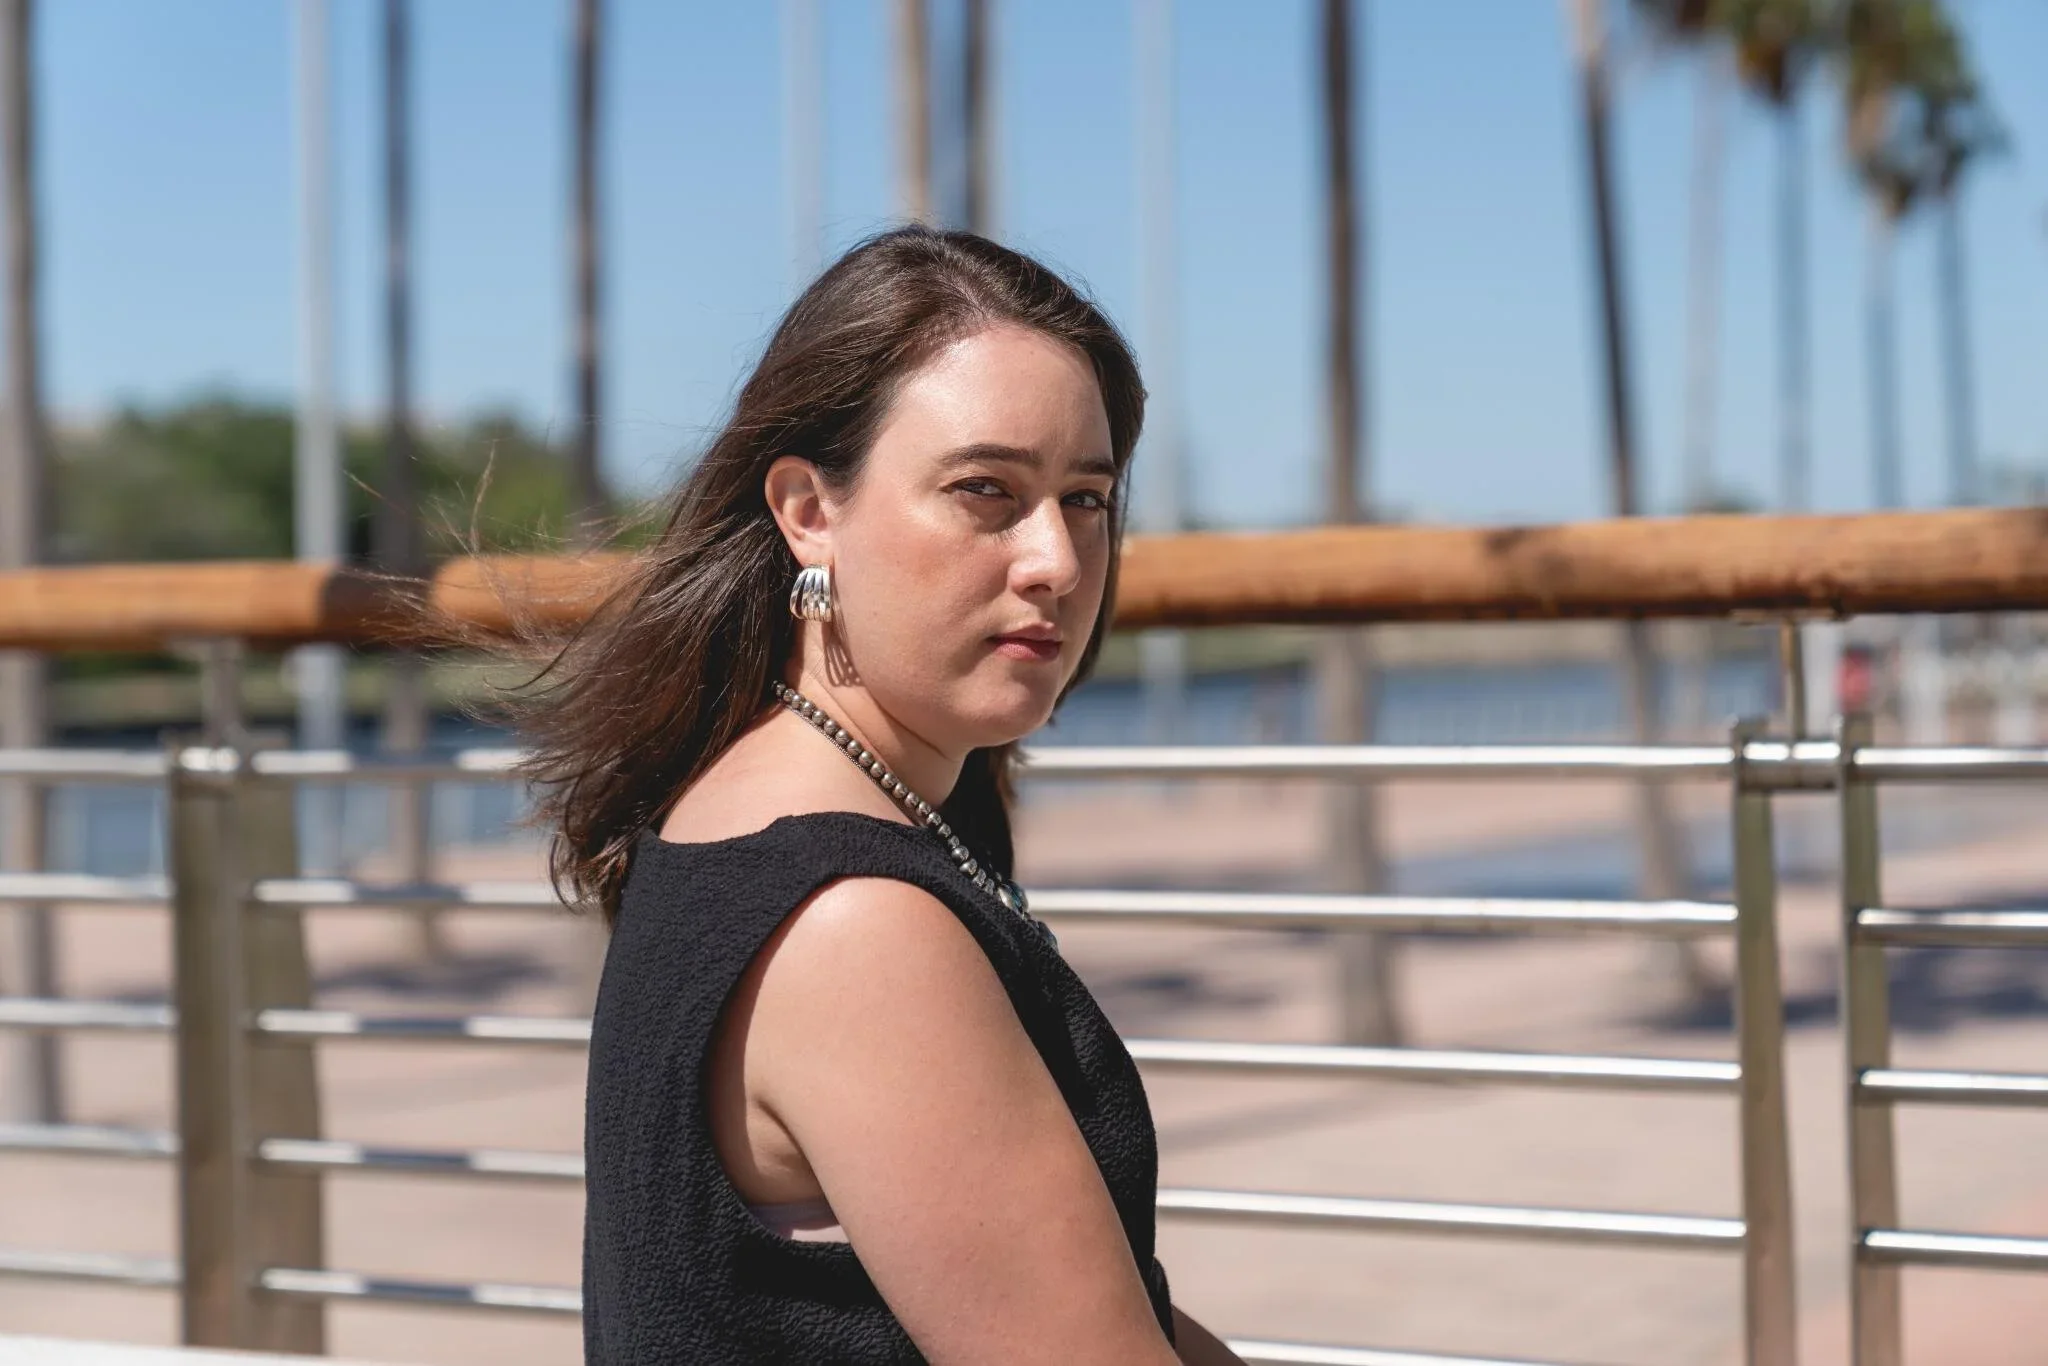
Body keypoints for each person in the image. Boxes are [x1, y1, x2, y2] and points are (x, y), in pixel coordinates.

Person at [515, 226, 1248, 1365]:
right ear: (809, 509)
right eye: (984, 492)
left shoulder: (757, 803)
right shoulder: (852, 920)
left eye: (1087, 498)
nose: (1055, 558)